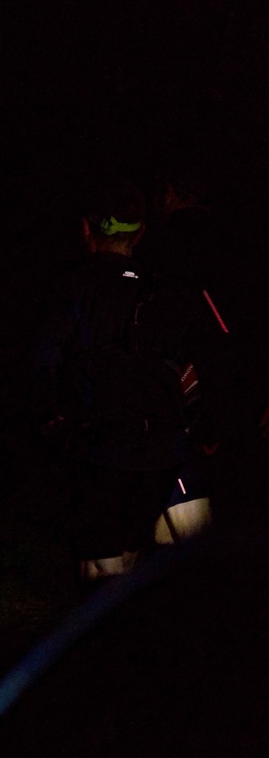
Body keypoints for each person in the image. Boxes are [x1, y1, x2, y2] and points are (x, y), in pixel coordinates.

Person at [34, 180, 222, 590]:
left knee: (104, 573)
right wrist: (200, 425)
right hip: (165, 452)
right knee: (191, 551)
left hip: (103, 451)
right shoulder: (163, 289)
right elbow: (195, 363)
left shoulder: (70, 289)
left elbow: (44, 365)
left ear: (87, 229)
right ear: (139, 234)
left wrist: (54, 421)